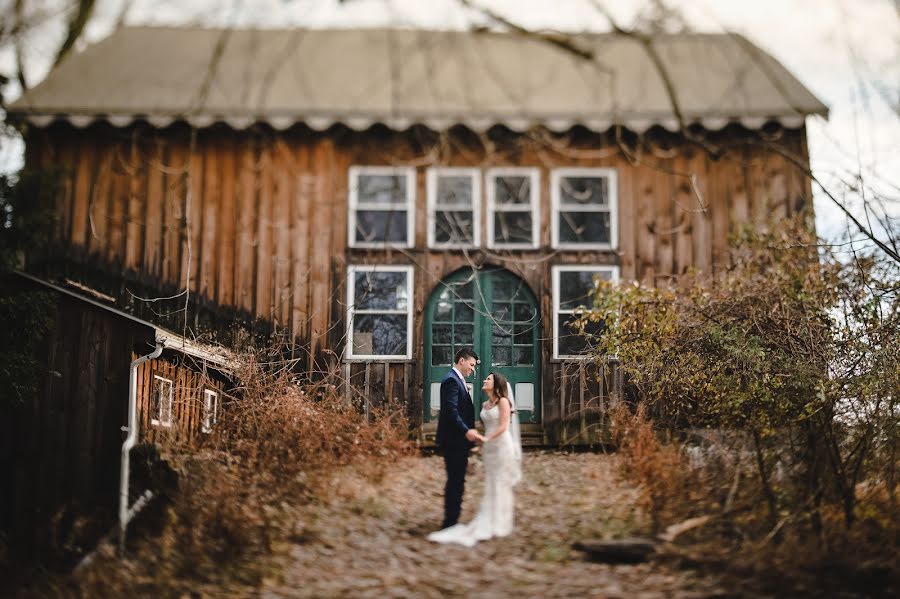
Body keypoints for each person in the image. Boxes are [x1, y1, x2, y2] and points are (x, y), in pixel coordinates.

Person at [428, 371, 522, 547]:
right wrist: (480, 442)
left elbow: (502, 427)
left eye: (488, 379)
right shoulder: (486, 404)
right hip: (489, 449)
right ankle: (491, 518)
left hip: (501, 446)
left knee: (501, 483)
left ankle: (501, 523)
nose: (484, 380)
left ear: (497, 384)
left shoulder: (503, 402)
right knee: (491, 482)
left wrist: (486, 439)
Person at [434, 348, 481, 530]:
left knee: (458, 480)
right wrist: (466, 431)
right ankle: (450, 522)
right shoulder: (451, 381)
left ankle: (452, 519)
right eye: (471, 365)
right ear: (461, 361)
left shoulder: (457, 380)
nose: (473, 369)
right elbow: (451, 411)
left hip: (458, 441)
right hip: (454, 440)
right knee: (455, 481)